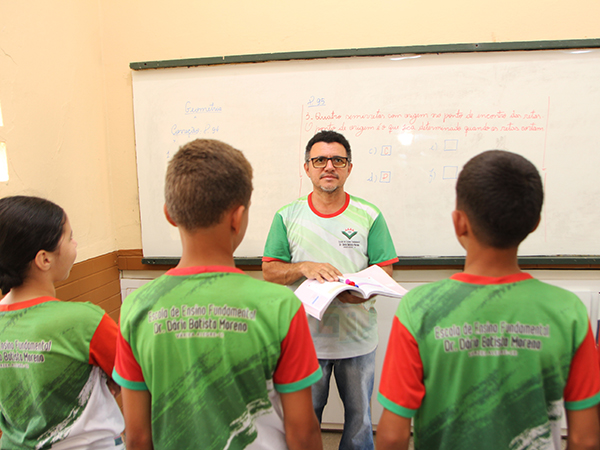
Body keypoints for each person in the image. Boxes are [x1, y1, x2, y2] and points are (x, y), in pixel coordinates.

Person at [376, 150, 600, 450]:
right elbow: (585, 439)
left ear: (459, 222)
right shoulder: (568, 310)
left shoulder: (418, 308)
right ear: (534, 223)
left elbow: (393, 436)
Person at [113, 139, 323, 450]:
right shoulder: (280, 306)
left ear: (170, 215)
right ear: (237, 217)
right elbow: (302, 433)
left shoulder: (137, 306)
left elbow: (137, 437)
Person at [262, 130, 398, 450]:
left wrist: (362, 291)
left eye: (338, 160)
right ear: (307, 168)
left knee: (360, 425)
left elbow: (385, 269)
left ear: (349, 168)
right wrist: (303, 268)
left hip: (358, 338)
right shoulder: (287, 215)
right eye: (320, 160)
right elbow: (270, 271)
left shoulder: (369, 215)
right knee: (304, 425)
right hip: (305, 342)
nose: (329, 166)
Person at [0, 196, 125, 449]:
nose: (75, 243)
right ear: (44, 259)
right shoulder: (84, 321)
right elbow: (129, 376)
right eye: (69, 237)